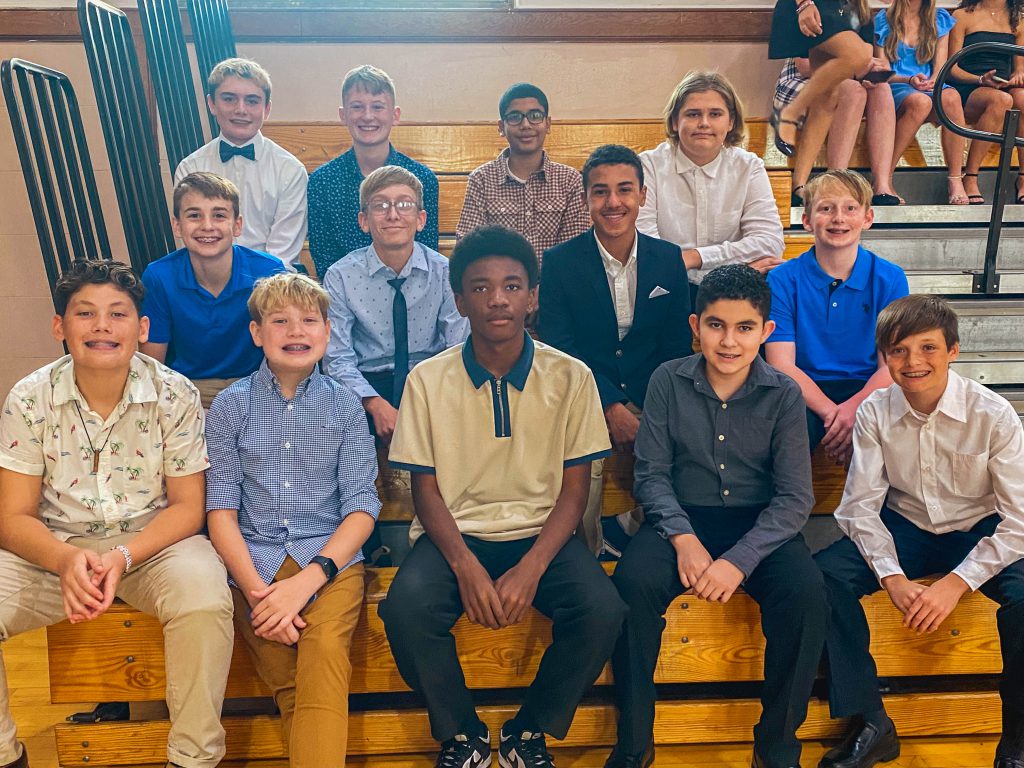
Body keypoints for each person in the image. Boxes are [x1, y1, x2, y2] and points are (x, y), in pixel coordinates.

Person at [379, 224, 626, 768]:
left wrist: (532, 567)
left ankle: (528, 732)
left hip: (544, 536)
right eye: (482, 287)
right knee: (404, 609)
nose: (498, 299)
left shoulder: (571, 376)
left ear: (532, 297)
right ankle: (462, 736)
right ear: (460, 299)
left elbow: (574, 489)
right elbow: (425, 490)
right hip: (455, 537)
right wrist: (466, 566)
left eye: (513, 286)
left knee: (602, 610)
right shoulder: (427, 379)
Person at [0, 260, 233, 768]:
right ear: (60, 326)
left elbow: (189, 508)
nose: (102, 325)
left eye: (118, 314)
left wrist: (125, 556)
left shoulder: (176, 394)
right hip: (56, 549)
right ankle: (6, 755)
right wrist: (64, 561)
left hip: (151, 546)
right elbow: (13, 517)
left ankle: (193, 758)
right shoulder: (29, 397)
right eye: (85, 313)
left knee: (205, 600)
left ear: (142, 328)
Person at [606, 264, 826, 768]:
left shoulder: (785, 394)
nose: (729, 341)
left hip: (761, 526)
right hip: (680, 519)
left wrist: (739, 561)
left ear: (767, 332)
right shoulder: (668, 380)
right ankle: (634, 743)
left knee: (807, 595)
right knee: (632, 588)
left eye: (745, 328)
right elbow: (652, 475)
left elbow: (794, 498)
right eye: (716, 325)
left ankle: (775, 749)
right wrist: (683, 538)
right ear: (695, 326)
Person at [813, 294, 1024, 768]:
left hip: (979, 528)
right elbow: (858, 510)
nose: (913, 362)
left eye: (928, 348)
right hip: (906, 525)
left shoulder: (992, 414)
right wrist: (892, 577)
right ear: (884, 358)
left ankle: (1018, 741)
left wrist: (956, 583)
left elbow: (1020, 522)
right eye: (899, 350)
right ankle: (869, 719)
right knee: (821, 577)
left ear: (952, 350)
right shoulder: (874, 411)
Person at [206, 272, 381, 768]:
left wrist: (308, 581)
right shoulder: (229, 407)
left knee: (323, 655)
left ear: (327, 331)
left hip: (330, 563)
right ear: (258, 333)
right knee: (291, 685)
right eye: (279, 321)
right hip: (251, 567)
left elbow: (362, 506)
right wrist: (259, 593)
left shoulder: (346, 407)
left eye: (308, 320)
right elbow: (220, 510)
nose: (295, 330)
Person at [540, 144, 691, 555]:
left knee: (692, 442)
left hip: (653, 393)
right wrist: (609, 407)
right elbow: (560, 349)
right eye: (600, 191)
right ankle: (586, 552)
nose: (613, 202)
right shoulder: (559, 263)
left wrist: (650, 407)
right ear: (586, 198)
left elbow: (676, 348)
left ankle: (642, 537)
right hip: (582, 396)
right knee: (581, 462)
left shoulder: (668, 259)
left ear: (643, 195)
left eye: (625, 190)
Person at [322, 165, 468, 564]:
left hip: (431, 379)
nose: (392, 214)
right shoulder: (341, 275)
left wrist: (425, 400)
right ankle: (364, 550)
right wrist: (374, 404)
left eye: (404, 205)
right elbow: (336, 357)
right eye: (380, 206)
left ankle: (450, 538)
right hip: (366, 383)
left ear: (421, 219)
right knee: (338, 422)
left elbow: (457, 347)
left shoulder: (445, 271)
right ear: (364, 220)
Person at [765, 170, 909, 465]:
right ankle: (788, 509)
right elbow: (781, 363)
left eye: (850, 208)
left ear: (867, 218)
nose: (838, 218)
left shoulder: (890, 278)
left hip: (868, 386)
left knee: (886, 430)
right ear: (807, 221)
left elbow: (892, 364)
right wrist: (834, 415)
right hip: (803, 387)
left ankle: (881, 511)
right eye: (826, 208)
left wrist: (853, 409)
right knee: (786, 434)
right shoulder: (781, 279)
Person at [140, 172, 287, 409]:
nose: (207, 226)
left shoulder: (269, 271)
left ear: (237, 225)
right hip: (187, 390)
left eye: (219, 215)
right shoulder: (159, 276)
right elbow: (153, 367)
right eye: (194, 215)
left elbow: (285, 352)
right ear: (177, 225)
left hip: (257, 388)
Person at [636, 71, 784, 301]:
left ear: (731, 121)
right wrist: (735, 261)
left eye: (715, 114)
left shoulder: (749, 167)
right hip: (666, 288)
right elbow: (648, 252)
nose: (704, 123)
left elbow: (769, 243)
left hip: (735, 286)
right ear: (675, 121)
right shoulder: (649, 166)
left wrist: (695, 257)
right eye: (693, 114)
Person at [175, 58, 308, 270]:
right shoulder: (190, 168)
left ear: (267, 109)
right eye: (229, 99)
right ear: (212, 104)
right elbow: (193, 240)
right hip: (207, 281)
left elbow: (282, 256)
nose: (241, 109)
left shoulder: (290, 170)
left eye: (252, 101)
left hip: (269, 289)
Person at [308, 65, 439, 278]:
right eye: (357, 107)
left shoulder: (422, 179)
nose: (368, 116)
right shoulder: (322, 181)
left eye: (378, 107)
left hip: (411, 293)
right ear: (343, 115)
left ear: (395, 115)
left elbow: (426, 253)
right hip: (346, 296)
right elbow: (325, 258)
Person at [456, 82, 590, 267]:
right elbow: (470, 249)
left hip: (555, 290)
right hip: (499, 290)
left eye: (535, 116)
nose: (525, 125)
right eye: (515, 117)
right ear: (501, 127)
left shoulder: (570, 181)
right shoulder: (481, 180)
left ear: (548, 124)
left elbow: (573, 251)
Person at [769, 0, 875, 202]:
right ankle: (789, 113)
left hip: (836, 9)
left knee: (827, 98)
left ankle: (799, 186)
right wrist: (804, 4)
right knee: (859, 55)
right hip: (812, 7)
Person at [874, 0, 970, 205]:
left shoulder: (939, 18)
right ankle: (884, 179)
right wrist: (908, 80)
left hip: (928, 83)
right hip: (897, 83)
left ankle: (955, 179)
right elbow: (881, 72)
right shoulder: (884, 19)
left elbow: (940, 66)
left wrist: (934, 80)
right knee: (920, 103)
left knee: (952, 97)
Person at [947, 0, 1024, 205]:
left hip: (1003, 84)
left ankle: (1023, 177)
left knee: (1021, 99)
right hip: (970, 84)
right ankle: (971, 176)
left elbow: (1019, 67)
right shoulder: (962, 16)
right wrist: (980, 79)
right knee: (1002, 101)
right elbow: (951, 69)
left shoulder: (1018, 19)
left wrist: (1018, 75)